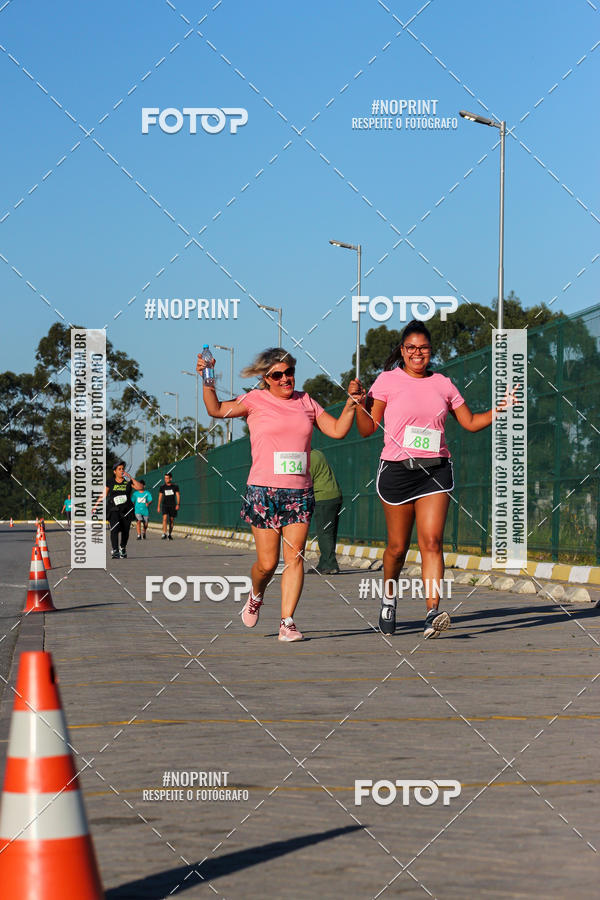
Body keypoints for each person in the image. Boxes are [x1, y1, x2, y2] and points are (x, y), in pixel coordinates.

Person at [353, 320, 517, 638]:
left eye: (423, 348)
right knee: (397, 548)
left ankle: (432, 613)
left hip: (435, 470)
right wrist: (361, 405)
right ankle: (389, 599)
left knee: (432, 542)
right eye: (411, 348)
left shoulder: (443, 384)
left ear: (431, 351)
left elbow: (468, 422)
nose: (417, 353)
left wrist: (501, 408)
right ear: (402, 351)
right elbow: (366, 429)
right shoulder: (387, 381)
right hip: (397, 471)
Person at [197, 346, 361, 642]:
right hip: (263, 491)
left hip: (299, 491)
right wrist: (207, 379)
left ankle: (287, 623)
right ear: (266, 378)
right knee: (267, 564)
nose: (286, 379)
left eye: (290, 372)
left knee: (295, 557)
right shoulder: (254, 401)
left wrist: (350, 405)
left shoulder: (306, 402)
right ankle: (256, 594)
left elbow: (336, 430)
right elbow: (216, 410)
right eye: (278, 375)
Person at [94, 461, 143, 559]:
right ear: (115, 471)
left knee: (125, 531)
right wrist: (95, 505)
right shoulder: (110, 482)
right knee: (114, 529)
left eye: (123, 469)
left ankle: (122, 547)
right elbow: (104, 494)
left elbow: (140, 487)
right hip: (114, 509)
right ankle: (115, 550)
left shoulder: (128, 481)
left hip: (127, 510)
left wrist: (131, 478)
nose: (121, 471)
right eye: (119, 469)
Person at [307, 449, 343, 575]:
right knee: (329, 532)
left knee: (324, 532)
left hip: (324, 497)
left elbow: (306, 480)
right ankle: (323, 563)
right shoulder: (317, 453)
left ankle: (330, 564)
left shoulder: (308, 457)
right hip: (335, 495)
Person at [157, 472, 180, 540]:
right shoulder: (162, 487)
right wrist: (158, 506)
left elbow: (178, 495)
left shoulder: (175, 486)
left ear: (170, 478)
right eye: (165, 478)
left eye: (167, 478)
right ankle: (164, 533)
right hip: (165, 505)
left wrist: (178, 504)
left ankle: (169, 534)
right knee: (164, 519)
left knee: (171, 520)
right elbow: (160, 497)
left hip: (172, 505)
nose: (166, 479)